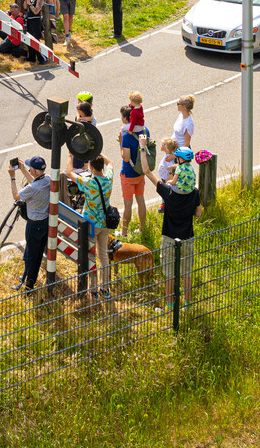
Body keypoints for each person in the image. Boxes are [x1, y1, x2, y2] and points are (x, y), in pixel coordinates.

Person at [143, 153, 200, 308]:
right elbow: (199, 214)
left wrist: (142, 149)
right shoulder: (194, 193)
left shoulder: (168, 193)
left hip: (169, 237)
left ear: (176, 177)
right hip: (187, 237)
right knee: (186, 273)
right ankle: (187, 304)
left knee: (169, 274)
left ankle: (169, 304)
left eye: (170, 174)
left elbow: (147, 171)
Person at [75, 153, 116, 301]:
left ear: (91, 167)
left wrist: (69, 156)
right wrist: (100, 152)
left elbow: (68, 173)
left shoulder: (88, 182)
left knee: (91, 256)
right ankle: (105, 288)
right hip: (105, 224)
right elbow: (110, 162)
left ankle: (92, 290)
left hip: (91, 225)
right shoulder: (109, 179)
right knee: (103, 255)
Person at [11, 155, 54, 292]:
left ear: (34, 171)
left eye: (30, 168)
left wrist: (12, 177)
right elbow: (34, 183)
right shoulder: (46, 180)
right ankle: (26, 276)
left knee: (31, 255)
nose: (29, 169)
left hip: (34, 225)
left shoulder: (33, 188)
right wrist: (23, 170)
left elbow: (16, 196)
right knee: (37, 252)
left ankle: (28, 285)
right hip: (45, 222)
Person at [118, 101, 149, 237]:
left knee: (128, 204)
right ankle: (142, 228)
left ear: (126, 118)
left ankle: (124, 232)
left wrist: (120, 142)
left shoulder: (126, 136)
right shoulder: (145, 130)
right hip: (140, 171)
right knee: (140, 199)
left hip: (128, 174)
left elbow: (125, 157)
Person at [70, 95, 98, 172]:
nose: (76, 108)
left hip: (80, 146)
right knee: (85, 165)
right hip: (89, 146)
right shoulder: (92, 118)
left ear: (82, 112)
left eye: (78, 108)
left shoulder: (82, 123)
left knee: (76, 169)